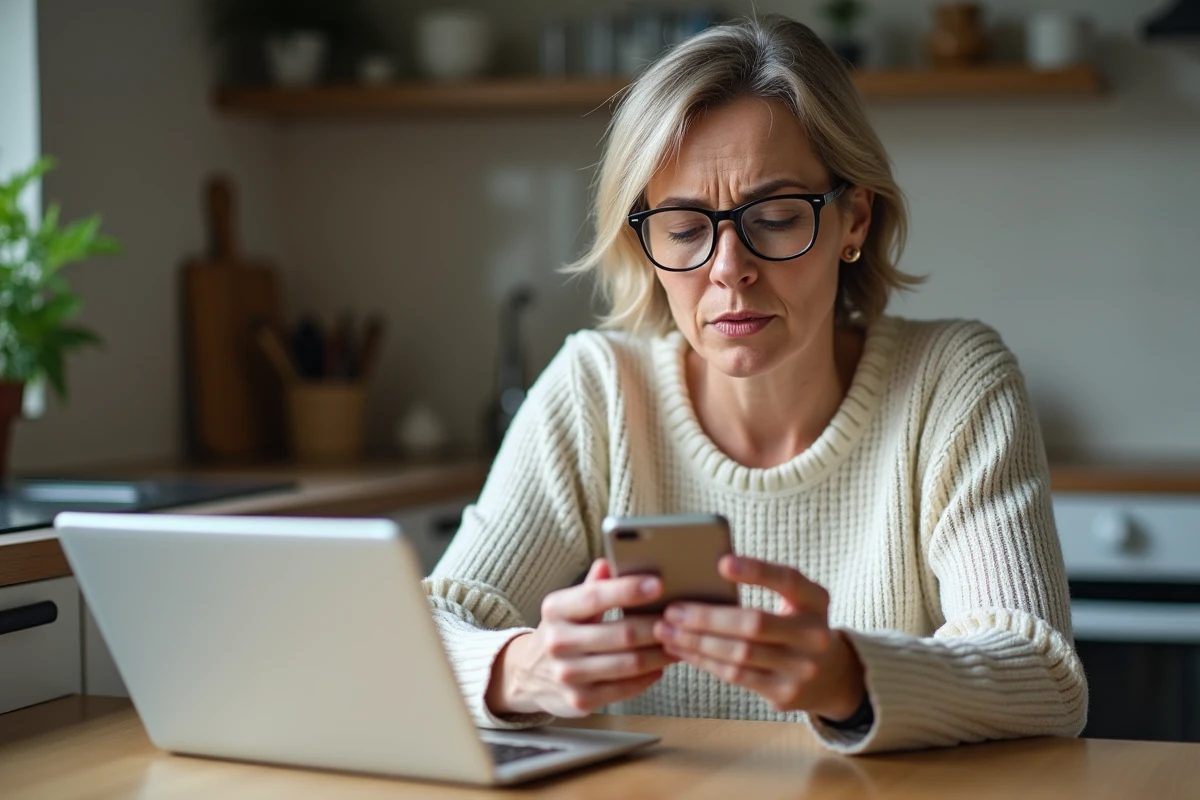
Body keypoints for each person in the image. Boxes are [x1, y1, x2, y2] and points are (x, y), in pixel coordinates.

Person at [422, 15, 1087, 754]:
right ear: (645, 243)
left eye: (773, 218)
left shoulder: (952, 383)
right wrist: (521, 670)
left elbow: (1046, 678)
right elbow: (418, 637)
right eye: (683, 228)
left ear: (853, 219)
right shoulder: (597, 388)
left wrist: (847, 680)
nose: (728, 267)